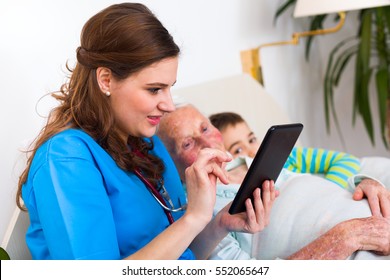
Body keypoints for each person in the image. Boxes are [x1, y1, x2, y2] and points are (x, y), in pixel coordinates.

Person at [16, 3, 278, 260]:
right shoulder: (66, 160)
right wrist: (194, 217)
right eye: (154, 89)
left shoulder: (147, 143)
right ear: (105, 80)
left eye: (169, 88)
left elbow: (179, 257)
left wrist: (220, 224)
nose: (168, 105)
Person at [157, 103, 390, 259]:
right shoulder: (200, 216)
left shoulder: (262, 158)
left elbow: (327, 176)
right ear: (169, 163)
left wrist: (364, 184)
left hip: (378, 220)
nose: (207, 143)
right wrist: (343, 239)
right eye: (188, 143)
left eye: (205, 128)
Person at [209, 111, 360, 190]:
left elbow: (347, 160)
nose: (252, 151)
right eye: (238, 150)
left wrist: (329, 192)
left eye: (252, 140)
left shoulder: (288, 156)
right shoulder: (235, 187)